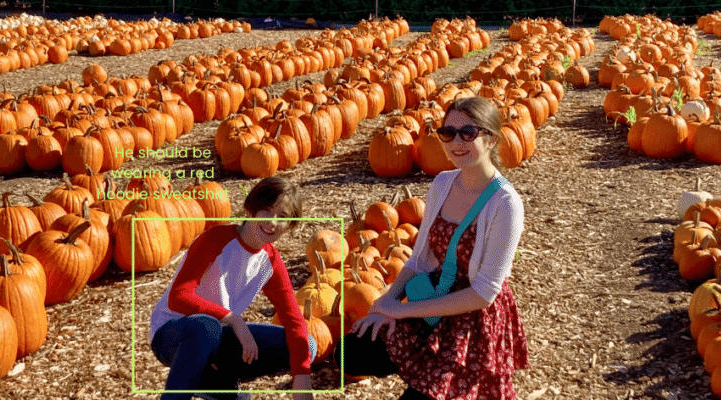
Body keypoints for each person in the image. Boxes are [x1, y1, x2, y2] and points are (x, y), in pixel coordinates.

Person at [335, 96, 529, 400]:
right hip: (435, 293)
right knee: (353, 352)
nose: (456, 141)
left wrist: (402, 311)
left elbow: (483, 293)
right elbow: (419, 259)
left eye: (469, 132)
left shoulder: (506, 204)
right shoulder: (442, 182)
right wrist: (386, 304)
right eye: (448, 133)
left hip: (473, 315)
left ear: (491, 139)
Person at [149, 176, 316, 400]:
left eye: (283, 217)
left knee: (308, 345)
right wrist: (233, 318)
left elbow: (294, 320)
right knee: (206, 326)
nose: (272, 222)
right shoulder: (216, 240)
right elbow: (179, 297)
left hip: (217, 335)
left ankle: (214, 384)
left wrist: (301, 378)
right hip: (174, 332)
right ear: (250, 209)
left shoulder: (271, 262)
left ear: (290, 226)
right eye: (266, 210)